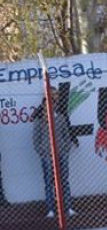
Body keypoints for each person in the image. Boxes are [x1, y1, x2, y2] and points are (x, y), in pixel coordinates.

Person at [32, 89, 76, 218]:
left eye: (53, 104)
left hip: (61, 154)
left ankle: (68, 208)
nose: (50, 107)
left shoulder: (61, 118)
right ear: (44, 106)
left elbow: (66, 135)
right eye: (47, 104)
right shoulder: (39, 120)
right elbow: (35, 139)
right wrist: (42, 152)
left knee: (64, 181)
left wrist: (65, 148)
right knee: (49, 182)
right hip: (47, 155)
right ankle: (50, 209)